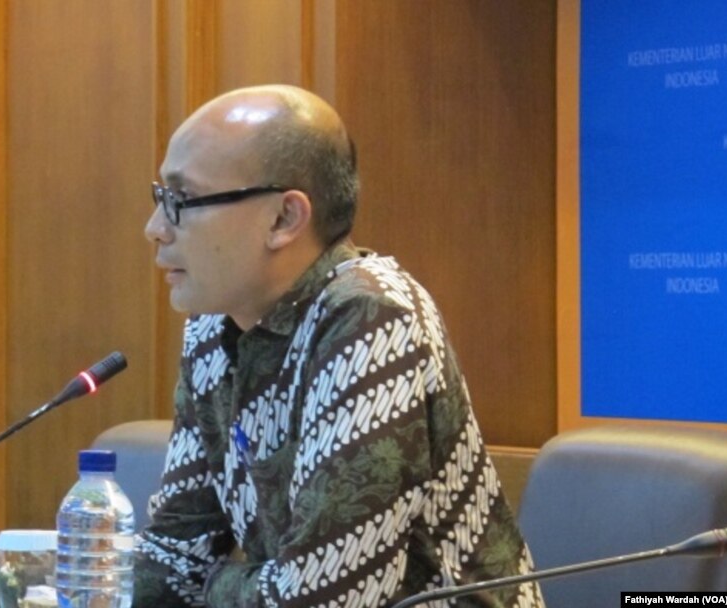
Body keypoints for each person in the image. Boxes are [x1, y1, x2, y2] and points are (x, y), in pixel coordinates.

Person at [134, 84, 544, 607]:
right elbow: (173, 554)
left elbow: (327, 598)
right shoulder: (214, 326)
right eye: (160, 199)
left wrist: (211, 586)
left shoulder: (373, 317)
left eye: (182, 201)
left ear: (284, 218)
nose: (155, 228)